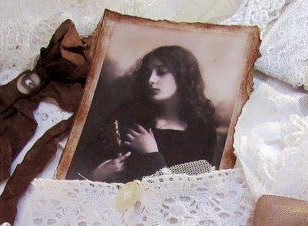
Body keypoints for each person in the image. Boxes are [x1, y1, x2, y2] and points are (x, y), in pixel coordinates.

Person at [68, 45, 220, 182]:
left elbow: (186, 191)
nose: (151, 80)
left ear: (183, 76)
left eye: (161, 72)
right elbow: (81, 167)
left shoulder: (203, 134)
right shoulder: (127, 116)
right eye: (148, 72)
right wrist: (98, 173)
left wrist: (151, 154)